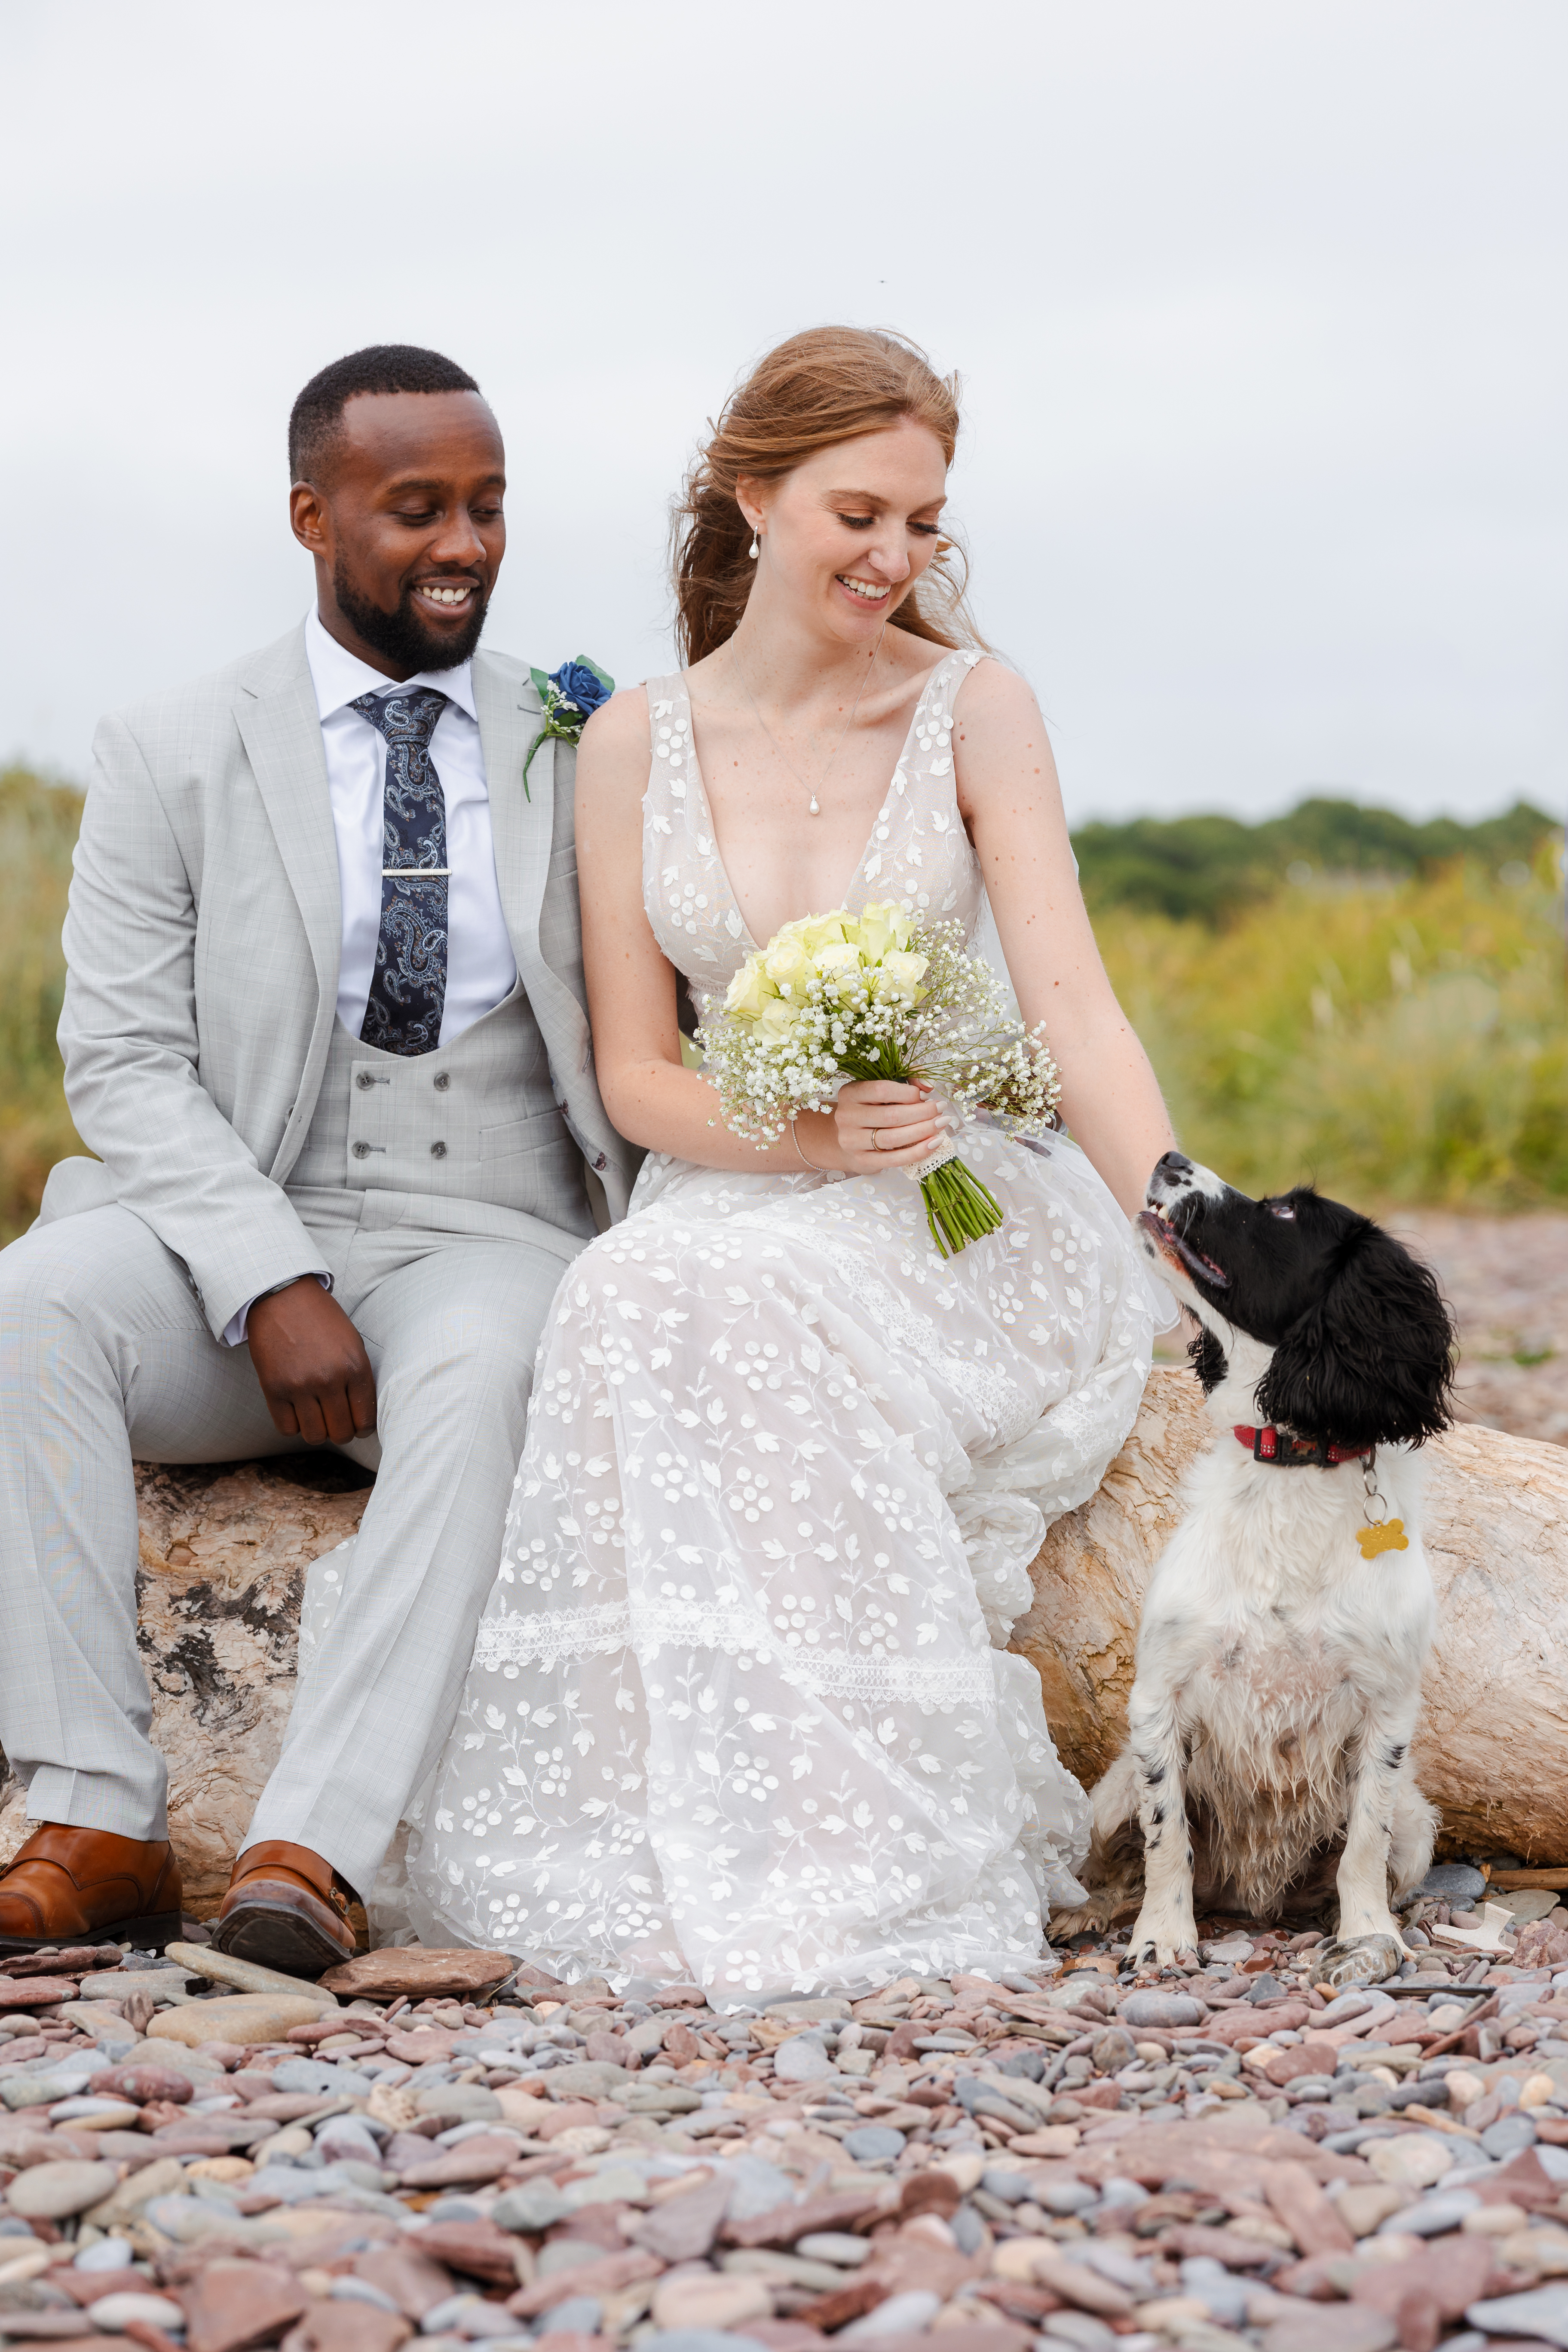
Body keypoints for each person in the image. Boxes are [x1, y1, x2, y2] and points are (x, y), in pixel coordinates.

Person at [399, 328, 1177, 2000]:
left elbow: (1077, 1018)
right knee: (631, 1287)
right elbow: (635, 1078)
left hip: (962, 1207)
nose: (897, 558)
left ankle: (858, 1841)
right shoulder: (633, 743)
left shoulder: (978, 709)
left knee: (741, 1289)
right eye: (859, 514)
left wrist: (1194, 1227)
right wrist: (807, 1129)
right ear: (751, 499)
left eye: (927, 524)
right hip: (739, 1187)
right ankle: (672, 1840)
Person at [0, 345, 634, 1971]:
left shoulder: (584, 734)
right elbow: (124, 1060)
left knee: (489, 1370)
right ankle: (96, 1819)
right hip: (240, 1222)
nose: (465, 545)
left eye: (489, 508)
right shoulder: (170, 746)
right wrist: (266, 1270)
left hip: (488, 1225)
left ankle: (315, 1848)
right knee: (32, 1307)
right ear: (311, 515)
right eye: (416, 507)